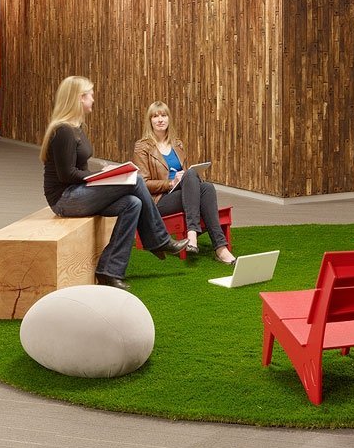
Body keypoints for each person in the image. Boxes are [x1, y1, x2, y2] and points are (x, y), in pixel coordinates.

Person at [41, 76, 188, 290]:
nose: (93, 99)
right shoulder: (63, 130)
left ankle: (109, 271)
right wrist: (101, 176)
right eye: (90, 95)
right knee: (136, 180)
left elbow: (76, 171)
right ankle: (159, 240)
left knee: (133, 203)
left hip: (79, 192)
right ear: (79, 98)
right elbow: (66, 175)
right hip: (65, 199)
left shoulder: (76, 127)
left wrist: (104, 174)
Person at [132, 101, 236, 265]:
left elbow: (188, 176)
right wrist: (170, 183)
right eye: (155, 116)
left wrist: (186, 178)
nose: (160, 119)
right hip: (159, 200)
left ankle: (220, 248)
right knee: (194, 179)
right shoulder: (142, 147)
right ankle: (193, 232)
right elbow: (142, 183)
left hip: (182, 194)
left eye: (163, 115)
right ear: (150, 121)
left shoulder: (177, 144)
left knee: (206, 186)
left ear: (169, 118)